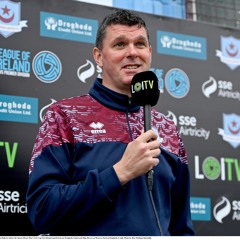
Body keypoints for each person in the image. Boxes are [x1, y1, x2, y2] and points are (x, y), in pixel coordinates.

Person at [26, 9, 195, 236]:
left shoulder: (168, 129)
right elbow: (42, 210)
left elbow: (181, 227)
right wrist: (119, 173)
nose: (132, 52)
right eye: (120, 44)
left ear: (150, 52)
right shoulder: (64, 116)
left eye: (140, 44)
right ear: (98, 56)